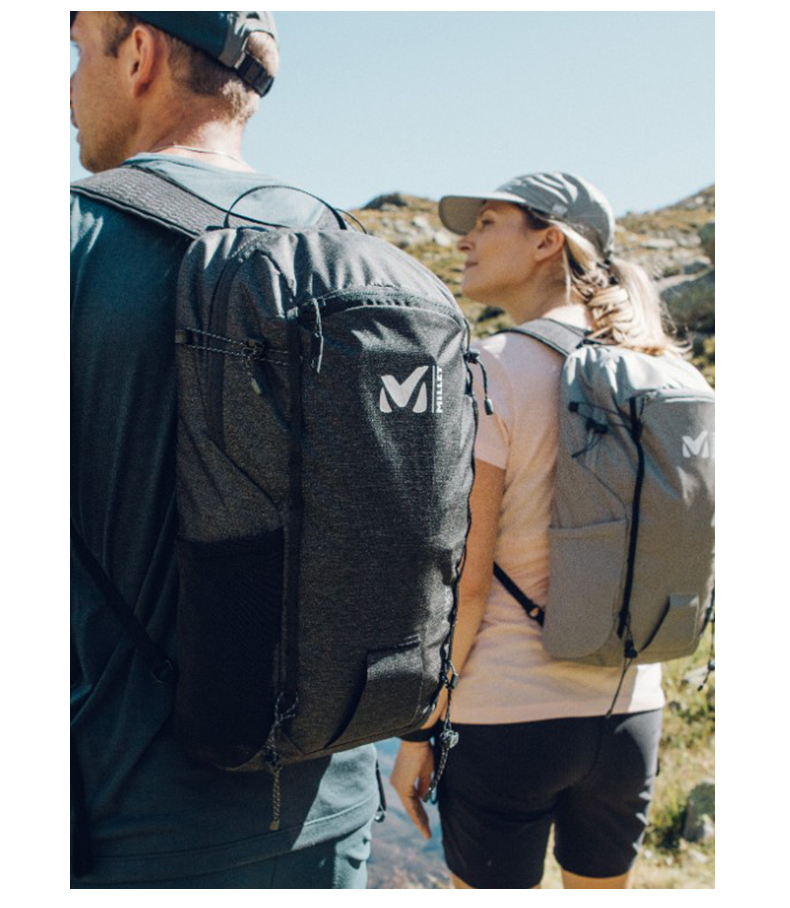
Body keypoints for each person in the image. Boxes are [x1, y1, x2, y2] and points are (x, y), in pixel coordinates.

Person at [70, 12, 378, 888]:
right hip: (334, 807)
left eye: (78, 51)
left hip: (126, 830)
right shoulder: (350, 247)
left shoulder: (64, 241)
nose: (67, 88)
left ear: (139, 53)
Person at [391, 172, 678, 889]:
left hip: (507, 717)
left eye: (488, 222)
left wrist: (421, 729)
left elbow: (467, 580)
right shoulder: (662, 371)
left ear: (549, 241)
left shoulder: (493, 367)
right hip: (632, 711)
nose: (466, 241)